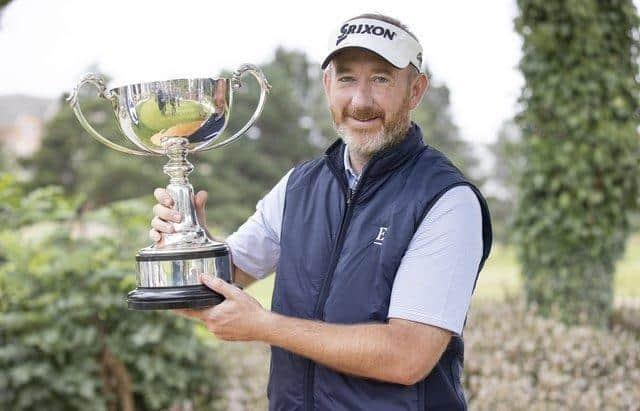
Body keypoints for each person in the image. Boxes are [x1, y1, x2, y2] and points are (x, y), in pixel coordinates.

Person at [149, 13, 492, 411]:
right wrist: (185, 247)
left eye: (381, 79)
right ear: (328, 85)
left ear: (415, 91)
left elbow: (407, 356)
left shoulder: (447, 200)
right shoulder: (299, 187)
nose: (360, 101)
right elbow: (211, 292)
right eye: (347, 78)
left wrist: (265, 326)